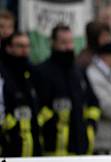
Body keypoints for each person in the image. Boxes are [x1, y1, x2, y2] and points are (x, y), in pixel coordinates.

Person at [36, 24, 100, 155]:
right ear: (53, 43)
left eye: (70, 42)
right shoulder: (41, 71)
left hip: (80, 146)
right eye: (63, 43)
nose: (68, 47)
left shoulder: (79, 71)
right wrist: (51, 121)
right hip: (51, 149)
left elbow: (93, 102)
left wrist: (90, 124)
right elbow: (37, 107)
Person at [0, 32, 42, 157]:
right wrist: (10, 126)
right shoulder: (2, 74)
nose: (25, 50)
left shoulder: (31, 73)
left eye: (27, 46)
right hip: (8, 147)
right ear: (8, 48)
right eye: (20, 46)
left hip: (32, 148)